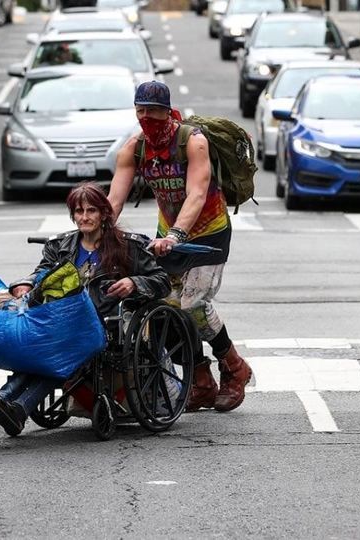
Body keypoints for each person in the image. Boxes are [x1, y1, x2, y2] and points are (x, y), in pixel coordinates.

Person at [0, 182, 171, 436]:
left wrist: (134, 282)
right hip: (59, 321)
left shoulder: (128, 246)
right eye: (78, 211)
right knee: (39, 344)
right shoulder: (61, 246)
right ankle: (8, 403)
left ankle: (8, 400)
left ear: (104, 214)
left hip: (102, 325)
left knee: (58, 350)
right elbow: (42, 272)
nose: (84, 217)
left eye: (91, 211)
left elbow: (162, 281)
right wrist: (25, 283)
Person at [107, 80, 253, 413]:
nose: (147, 118)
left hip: (208, 234)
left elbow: (197, 194)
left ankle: (234, 368)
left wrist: (176, 235)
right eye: (140, 111)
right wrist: (98, 231)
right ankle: (200, 382)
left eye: (153, 111)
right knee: (163, 309)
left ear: (167, 110)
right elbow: (115, 197)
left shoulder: (192, 141)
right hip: (167, 237)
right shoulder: (135, 148)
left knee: (195, 304)